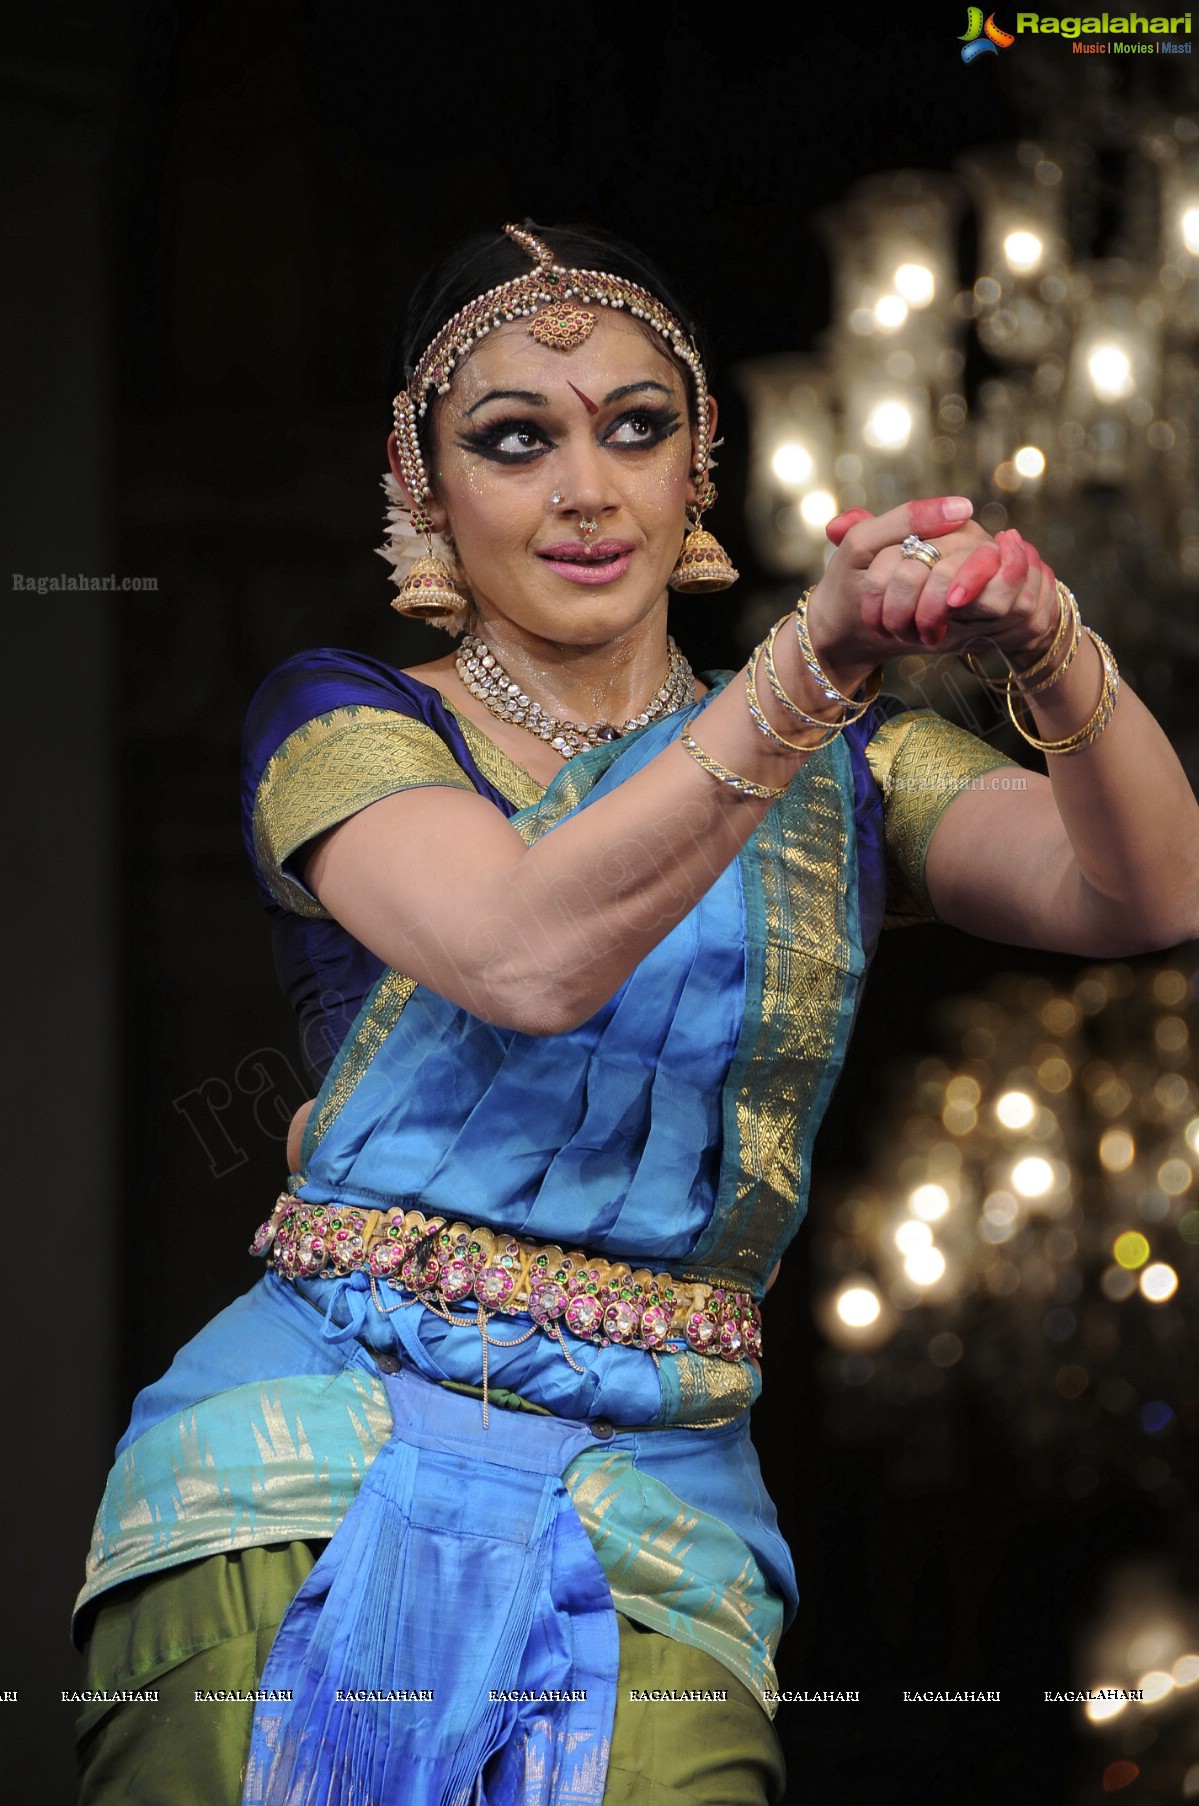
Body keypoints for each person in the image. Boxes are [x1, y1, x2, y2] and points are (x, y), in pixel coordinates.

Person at [73, 221, 1199, 1806]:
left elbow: (1143, 893)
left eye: (636, 425)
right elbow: (525, 955)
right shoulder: (341, 720)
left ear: (699, 470)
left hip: (662, 1514)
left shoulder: (846, 782)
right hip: (299, 1468)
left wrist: (1051, 645)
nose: (586, 488)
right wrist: (808, 668)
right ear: (425, 487)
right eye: (516, 439)